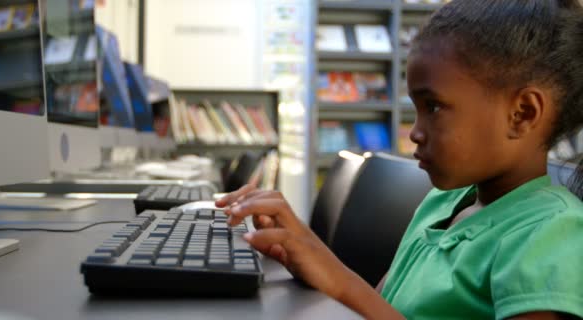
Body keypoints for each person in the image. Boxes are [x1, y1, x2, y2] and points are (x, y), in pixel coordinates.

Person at [217, 0, 583, 319]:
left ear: (522, 113)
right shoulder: (444, 201)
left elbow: (362, 302)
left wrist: (337, 278)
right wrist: (302, 246)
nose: (415, 133)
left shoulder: (551, 233)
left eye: (434, 107)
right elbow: (380, 306)